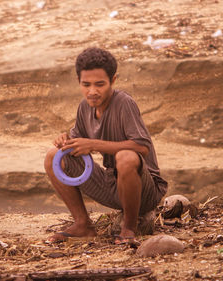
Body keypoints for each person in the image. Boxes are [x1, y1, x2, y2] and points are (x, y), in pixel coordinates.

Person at [44, 47, 167, 245]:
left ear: (113, 80)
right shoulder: (85, 107)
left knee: (125, 158)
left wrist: (92, 144)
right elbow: (76, 144)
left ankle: (129, 227)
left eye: (100, 84)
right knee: (53, 155)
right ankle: (83, 224)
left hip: (144, 191)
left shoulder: (124, 103)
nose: (92, 91)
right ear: (79, 82)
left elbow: (142, 147)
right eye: (86, 85)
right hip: (112, 186)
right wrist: (65, 141)